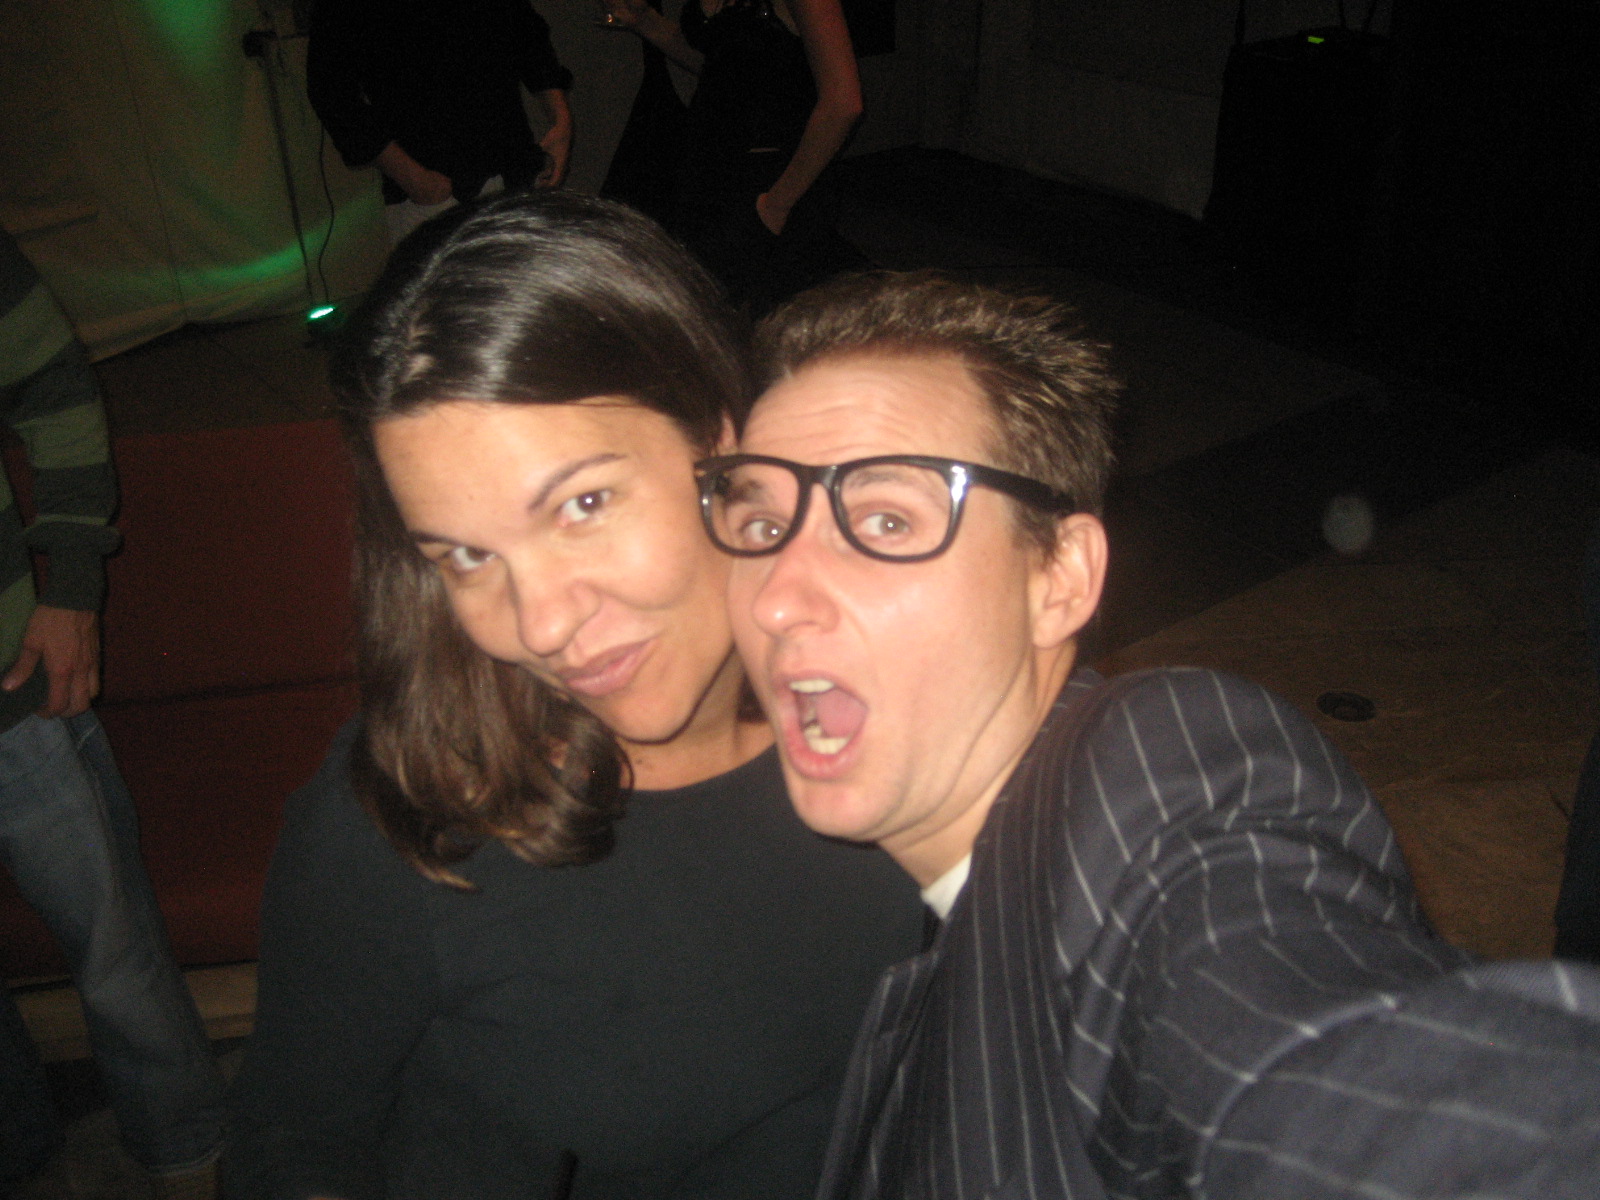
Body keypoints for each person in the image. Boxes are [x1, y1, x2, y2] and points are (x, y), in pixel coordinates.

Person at [704, 269, 1600, 1199]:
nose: (776, 599)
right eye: (761, 523)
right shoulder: (867, 867)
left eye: (887, 520)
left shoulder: (1167, 786)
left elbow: (1316, 1051)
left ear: (1061, 578)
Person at [223, 193, 922, 1200]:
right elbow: (290, 1151)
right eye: (466, 555)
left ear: (719, 440)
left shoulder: (895, 693)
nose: (542, 624)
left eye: (582, 504)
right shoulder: (406, 825)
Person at [0, 228, 225, 1197]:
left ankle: (189, 1160)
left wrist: (71, 589)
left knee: (112, 952)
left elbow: (55, 390)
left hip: (9, 687)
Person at [601, 0, 865, 312]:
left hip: (769, 178)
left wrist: (775, 205)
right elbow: (724, 65)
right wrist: (645, 22)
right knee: (705, 309)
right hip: (705, 172)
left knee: (763, 316)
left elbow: (843, 103)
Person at [306, 0, 575, 244]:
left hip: (514, 172)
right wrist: (414, 179)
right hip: (433, 191)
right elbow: (331, 92)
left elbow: (527, 34)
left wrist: (561, 121)